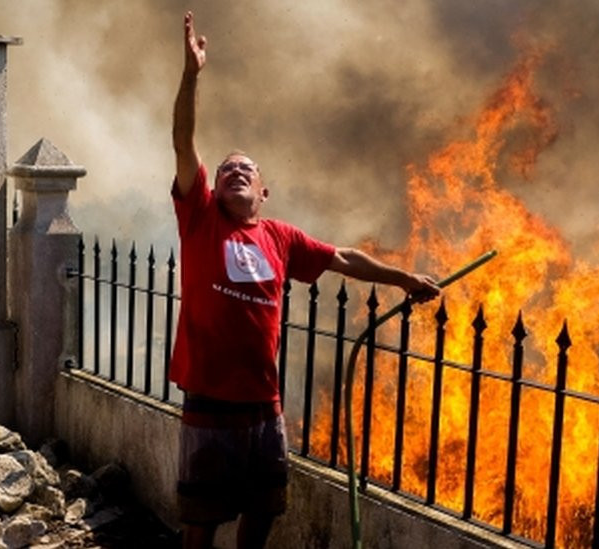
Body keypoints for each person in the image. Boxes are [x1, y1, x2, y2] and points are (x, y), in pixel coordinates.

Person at [170, 11, 440, 549]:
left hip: (263, 403)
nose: (235, 171)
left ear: (264, 192)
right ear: (213, 187)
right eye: (226, 169)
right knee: (200, 521)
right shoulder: (200, 218)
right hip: (210, 401)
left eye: (246, 168)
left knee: (263, 509)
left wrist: (406, 279)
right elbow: (183, 142)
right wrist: (192, 76)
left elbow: (343, 257)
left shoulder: (280, 237)